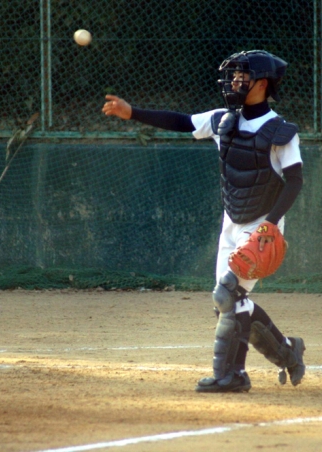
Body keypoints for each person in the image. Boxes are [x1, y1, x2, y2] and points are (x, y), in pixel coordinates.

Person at [102, 50, 305, 393]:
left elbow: (295, 180)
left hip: (262, 225)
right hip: (232, 221)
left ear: (263, 83)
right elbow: (182, 121)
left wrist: (270, 224)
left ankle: (231, 376)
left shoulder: (280, 131)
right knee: (227, 302)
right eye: (233, 75)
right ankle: (287, 351)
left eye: (242, 75)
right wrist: (132, 112)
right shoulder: (223, 120)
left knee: (228, 295)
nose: (235, 81)